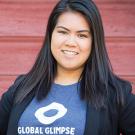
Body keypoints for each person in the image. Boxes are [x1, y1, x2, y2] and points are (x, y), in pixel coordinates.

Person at [0, 0, 135, 135]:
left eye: (82, 35)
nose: (71, 42)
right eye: (63, 32)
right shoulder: (21, 88)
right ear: (50, 35)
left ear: (94, 42)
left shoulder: (115, 93)